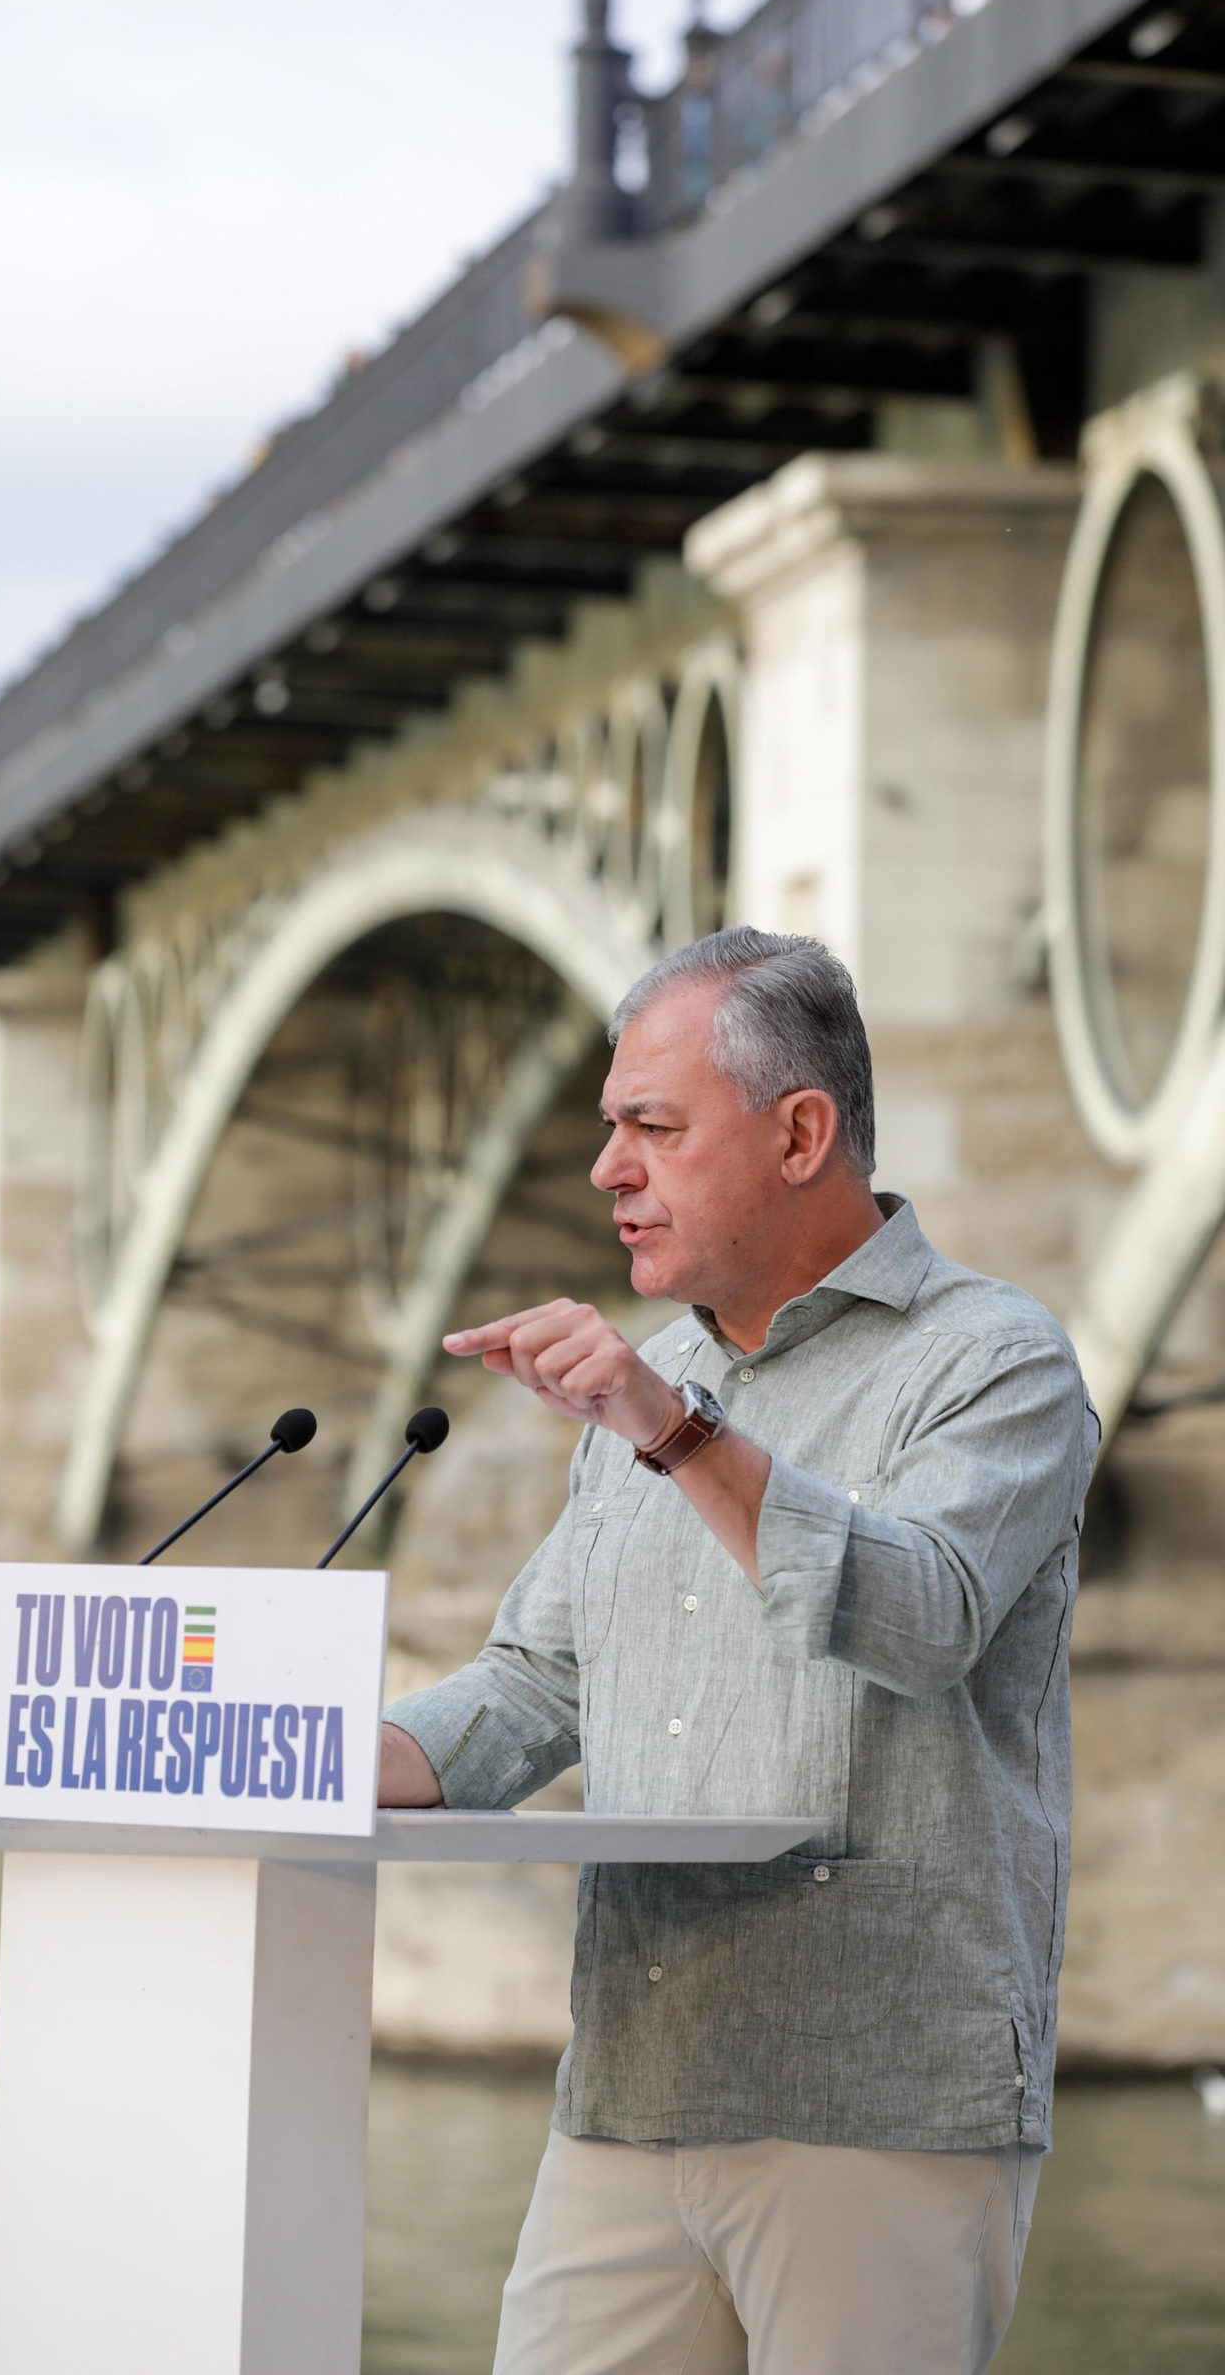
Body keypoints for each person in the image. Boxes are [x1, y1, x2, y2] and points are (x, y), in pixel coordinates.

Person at [379, 927, 1097, 2375]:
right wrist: (300, 1756)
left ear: (800, 1133)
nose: (608, 1171)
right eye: (608, 1131)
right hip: (635, 2092)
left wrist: (676, 1435)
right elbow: (536, 1687)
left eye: (651, 1127)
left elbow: (923, 1613)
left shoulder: (995, 1362)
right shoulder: (668, 1380)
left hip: (878, 2103)